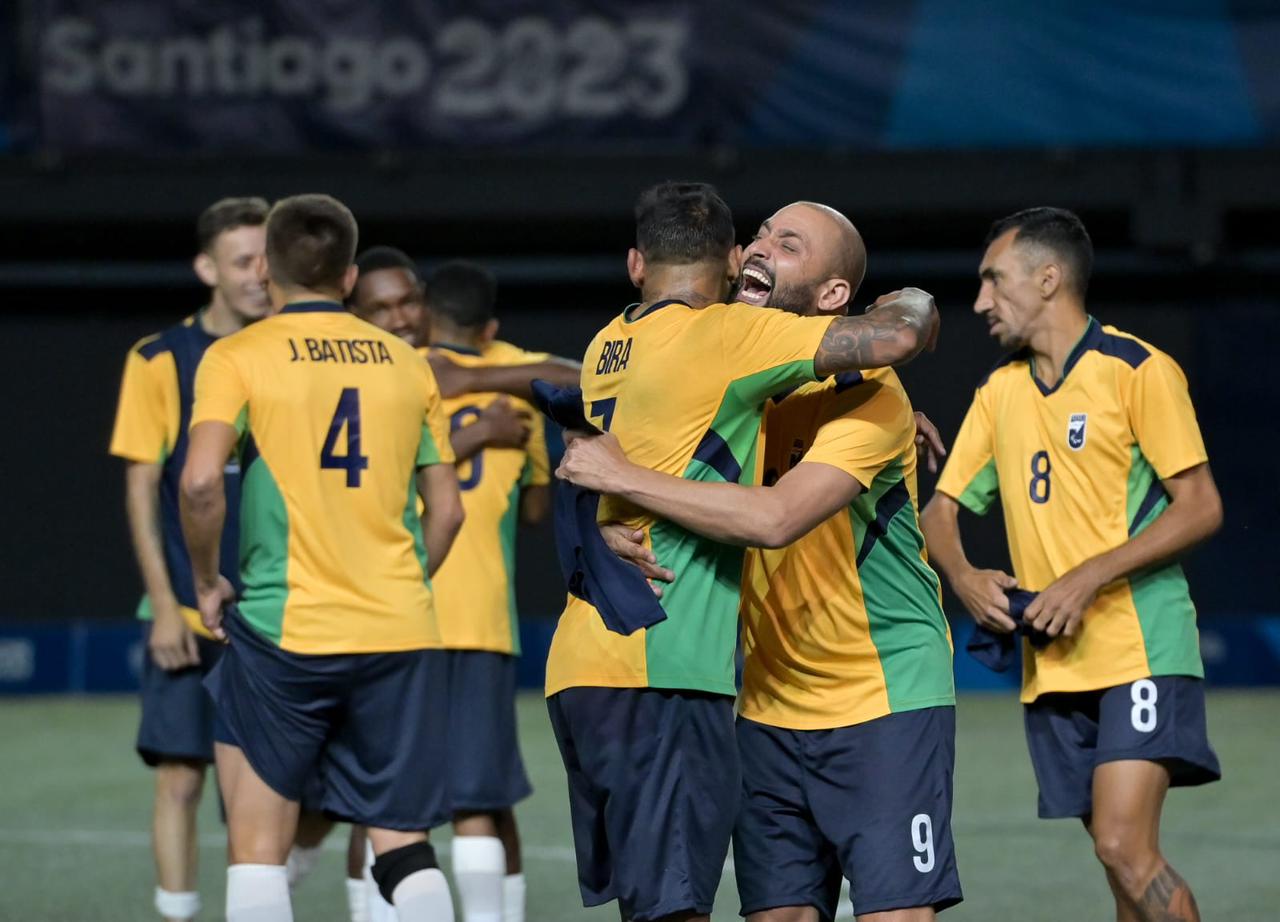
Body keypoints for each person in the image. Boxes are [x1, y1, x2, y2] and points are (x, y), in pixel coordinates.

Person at [544, 181, 939, 922]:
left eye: (787, 245)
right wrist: (601, 513)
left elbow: (776, 517)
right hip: (758, 702)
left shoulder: (865, 392)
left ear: (832, 295)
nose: (761, 248)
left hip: (876, 695)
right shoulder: (739, 375)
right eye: (759, 235)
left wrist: (618, 483)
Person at [919, 207, 1222, 922]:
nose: (981, 302)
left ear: (1049, 278)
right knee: (1120, 868)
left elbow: (1202, 506)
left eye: (994, 280)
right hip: (1053, 665)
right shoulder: (1000, 392)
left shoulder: (1136, 371)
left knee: (1123, 846)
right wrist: (962, 576)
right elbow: (940, 511)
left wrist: (1088, 575)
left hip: (1140, 643)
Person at [179, 193, 465, 922]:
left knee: (258, 847)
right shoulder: (408, 364)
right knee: (403, 845)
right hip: (400, 629)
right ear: (348, 277)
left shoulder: (237, 356)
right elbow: (450, 508)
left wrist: (208, 582)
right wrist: (400, 585)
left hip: (287, 631)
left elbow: (202, 480)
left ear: (268, 274)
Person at [109, 196, 270, 922]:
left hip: (273, 607)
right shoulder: (156, 359)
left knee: (264, 786)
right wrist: (163, 607)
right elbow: (146, 489)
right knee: (180, 778)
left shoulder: (291, 352)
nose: (259, 274)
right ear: (207, 268)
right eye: (242, 260)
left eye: (268, 257)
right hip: (183, 605)